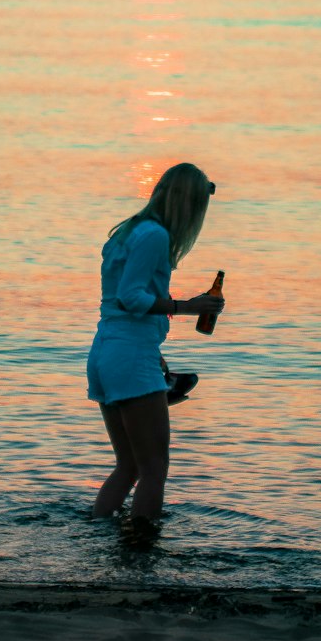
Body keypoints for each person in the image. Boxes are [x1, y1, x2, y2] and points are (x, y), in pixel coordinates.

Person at [87, 162, 224, 524]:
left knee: (129, 465)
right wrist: (189, 308)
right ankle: (142, 552)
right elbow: (131, 298)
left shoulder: (128, 231)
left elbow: (119, 303)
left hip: (108, 352)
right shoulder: (155, 235)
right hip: (129, 356)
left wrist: (155, 352)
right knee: (154, 468)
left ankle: (97, 535)